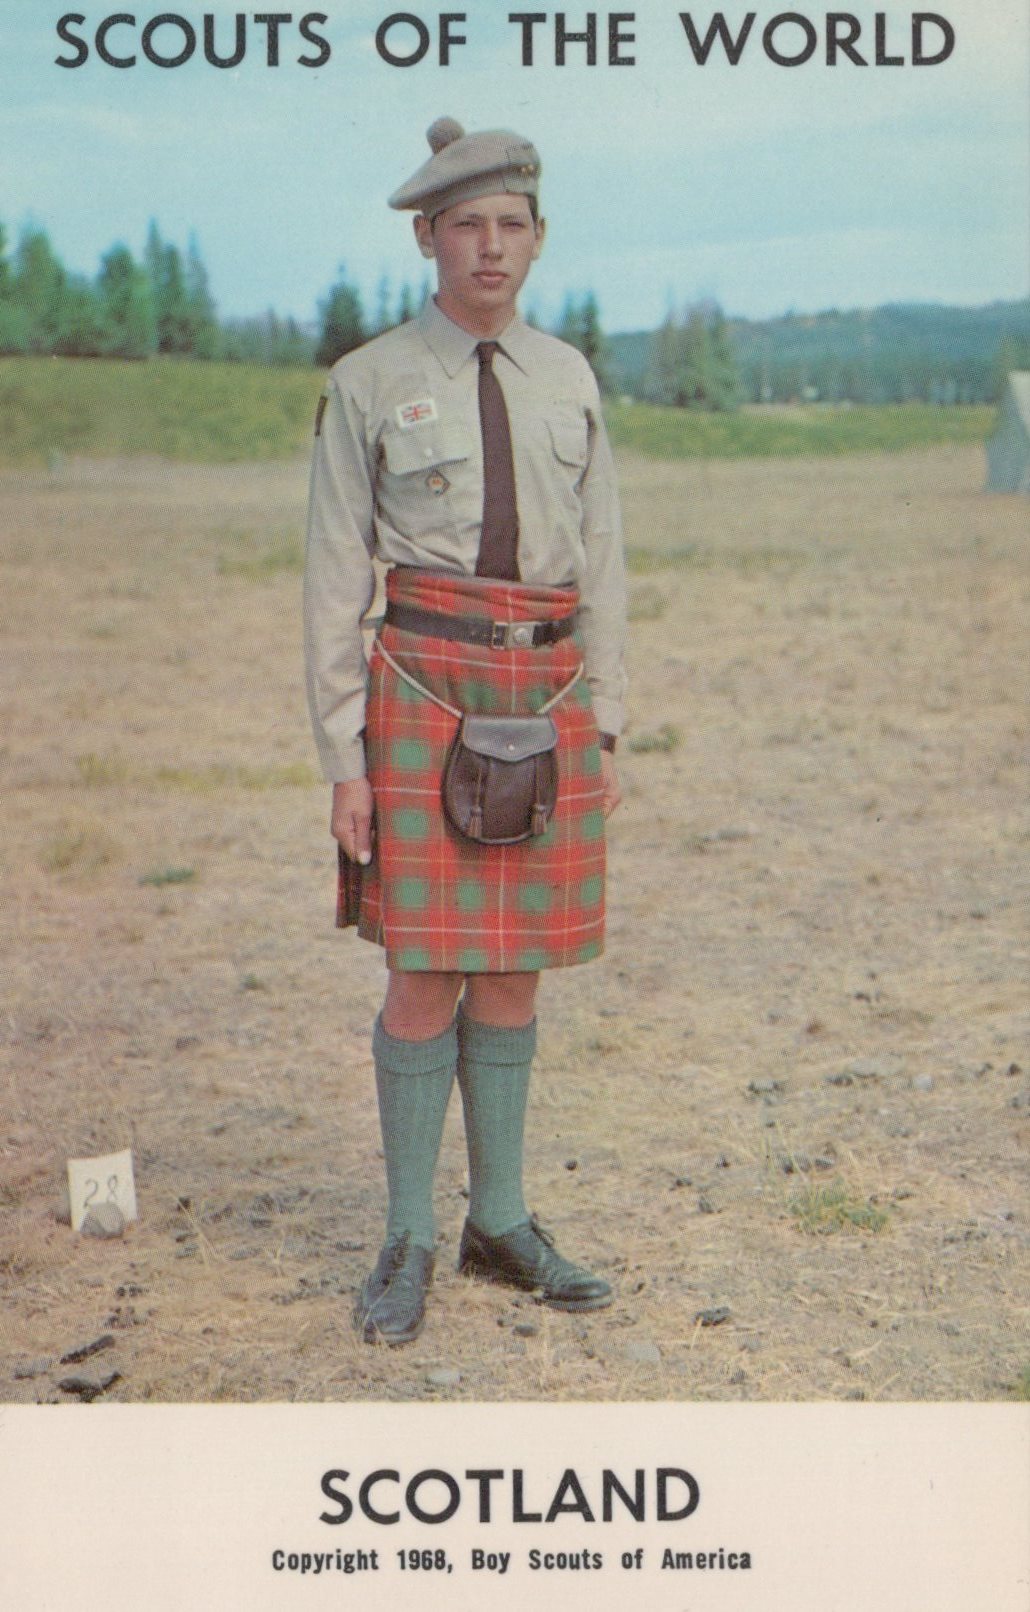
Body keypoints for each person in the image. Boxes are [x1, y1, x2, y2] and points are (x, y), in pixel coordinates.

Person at [304, 116, 627, 1346]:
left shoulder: (571, 378)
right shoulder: (369, 381)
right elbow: (336, 577)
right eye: (466, 226)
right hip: (420, 692)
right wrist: (344, 755)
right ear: (426, 238)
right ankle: (406, 1234)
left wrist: (610, 727)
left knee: (512, 966)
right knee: (423, 968)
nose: (490, 247)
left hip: (547, 695)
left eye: (512, 225)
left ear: (536, 240)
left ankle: (501, 1218)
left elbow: (604, 566)